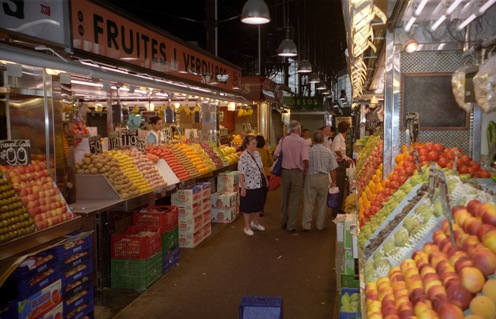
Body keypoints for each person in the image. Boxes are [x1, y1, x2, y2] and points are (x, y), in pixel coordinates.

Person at [273, 120, 309, 232]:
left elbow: (275, 155)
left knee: (284, 197)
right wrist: (305, 169)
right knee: (294, 199)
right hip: (297, 173)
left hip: (285, 172)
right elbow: (305, 159)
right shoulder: (302, 141)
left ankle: (283, 221)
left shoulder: (283, 139)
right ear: (298, 129)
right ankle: (291, 225)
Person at [301, 131, 338, 231]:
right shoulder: (328, 152)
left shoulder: (308, 151)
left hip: (310, 178)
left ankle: (306, 225)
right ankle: (320, 225)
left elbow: (304, 165)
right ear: (323, 140)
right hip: (323, 178)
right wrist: (333, 182)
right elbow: (333, 169)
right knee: (322, 203)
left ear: (312, 140)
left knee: (309, 202)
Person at [238, 135, 268, 236]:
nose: (255, 144)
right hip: (248, 185)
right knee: (247, 207)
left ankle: (255, 222)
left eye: (256, 143)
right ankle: (246, 227)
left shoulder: (257, 153)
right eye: (253, 143)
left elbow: (261, 167)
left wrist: (265, 178)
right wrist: (242, 187)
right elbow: (240, 173)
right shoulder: (243, 156)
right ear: (247, 144)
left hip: (258, 183)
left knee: (259, 205)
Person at [332, 121, 354, 212]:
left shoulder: (341, 138)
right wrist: (344, 158)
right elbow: (337, 150)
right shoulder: (338, 138)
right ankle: (336, 209)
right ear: (346, 129)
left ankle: (338, 208)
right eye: (348, 128)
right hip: (338, 165)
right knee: (339, 187)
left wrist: (347, 158)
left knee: (341, 187)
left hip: (341, 164)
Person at [256, 135, 273, 216]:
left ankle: (255, 209)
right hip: (265, 174)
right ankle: (261, 209)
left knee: (255, 192)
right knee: (263, 193)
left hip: (255, 174)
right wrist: (266, 166)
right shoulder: (266, 151)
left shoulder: (253, 151)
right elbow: (272, 162)